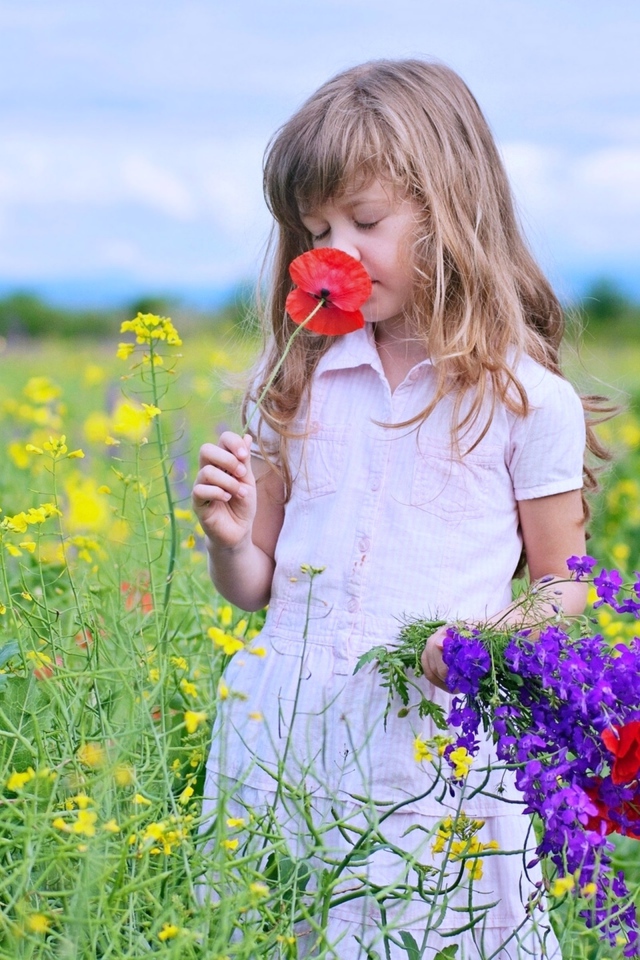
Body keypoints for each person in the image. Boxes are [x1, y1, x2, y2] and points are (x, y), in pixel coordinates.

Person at [192, 59, 606, 959]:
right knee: (276, 929)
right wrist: (229, 540)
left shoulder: (528, 400)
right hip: (284, 724)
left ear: (451, 209)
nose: (332, 250)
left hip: (432, 741)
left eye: (365, 222)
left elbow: (563, 587)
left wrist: (477, 645)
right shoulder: (292, 376)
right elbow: (255, 587)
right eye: (314, 229)